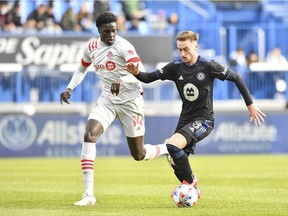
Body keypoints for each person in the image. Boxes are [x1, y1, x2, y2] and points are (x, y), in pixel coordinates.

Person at [123, 31, 266, 197]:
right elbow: (148, 78)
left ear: (195, 46)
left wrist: (250, 105)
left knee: (172, 144)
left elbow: (237, 78)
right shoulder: (175, 67)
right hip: (185, 119)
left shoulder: (208, 65)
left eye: (186, 49)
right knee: (174, 159)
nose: (183, 54)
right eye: (179, 50)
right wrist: (136, 73)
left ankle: (190, 182)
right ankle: (192, 189)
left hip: (204, 119)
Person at [60, 12, 168, 206]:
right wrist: (70, 87)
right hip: (108, 99)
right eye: (107, 31)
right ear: (98, 31)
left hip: (131, 101)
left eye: (114, 31)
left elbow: (139, 69)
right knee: (89, 135)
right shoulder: (92, 47)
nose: (111, 35)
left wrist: (122, 79)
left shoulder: (124, 46)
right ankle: (88, 195)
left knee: (139, 155)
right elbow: (82, 69)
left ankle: (165, 149)